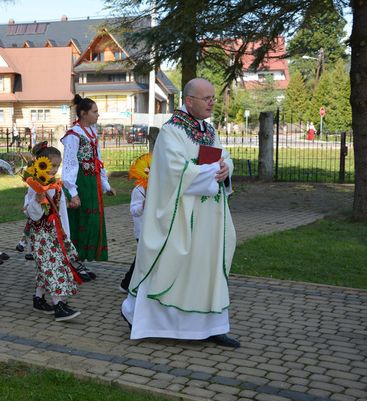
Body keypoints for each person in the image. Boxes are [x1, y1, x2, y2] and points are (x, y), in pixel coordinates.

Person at [121, 78, 239, 348]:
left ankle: (213, 325)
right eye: (205, 97)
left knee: (208, 266)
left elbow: (224, 156)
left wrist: (225, 169)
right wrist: (212, 171)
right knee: (175, 264)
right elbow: (175, 171)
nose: (212, 101)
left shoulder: (209, 130)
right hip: (182, 215)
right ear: (188, 101)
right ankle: (140, 314)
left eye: (213, 97)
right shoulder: (172, 132)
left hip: (210, 215)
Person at [25, 144, 82, 321]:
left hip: (54, 233)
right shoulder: (35, 186)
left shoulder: (56, 185)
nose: (54, 169)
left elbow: (61, 211)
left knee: (47, 268)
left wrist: (65, 234)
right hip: (41, 234)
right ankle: (59, 305)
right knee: (53, 267)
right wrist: (38, 199)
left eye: (58, 166)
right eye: (51, 165)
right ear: (42, 165)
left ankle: (38, 298)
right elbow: (32, 214)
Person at [61, 95, 116, 281]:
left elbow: (98, 161)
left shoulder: (91, 133)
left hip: (92, 184)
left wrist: (105, 184)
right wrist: (72, 192)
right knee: (79, 223)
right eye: (94, 111)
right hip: (80, 184)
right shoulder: (73, 135)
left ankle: (79, 261)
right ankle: (71, 262)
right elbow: (69, 165)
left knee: (91, 222)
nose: (98, 115)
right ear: (83, 114)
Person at [119, 153, 149, 293]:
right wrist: (143, 205)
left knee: (143, 257)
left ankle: (131, 283)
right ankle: (127, 284)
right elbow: (133, 210)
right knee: (141, 258)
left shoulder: (157, 189)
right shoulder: (138, 190)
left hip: (153, 229)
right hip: (142, 230)